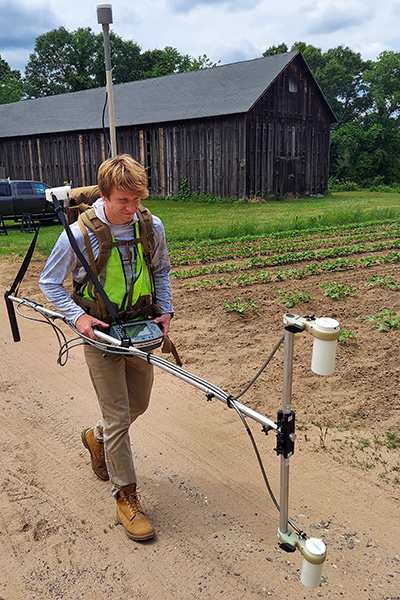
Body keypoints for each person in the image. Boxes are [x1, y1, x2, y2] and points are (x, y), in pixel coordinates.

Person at [39, 154, 174, 541]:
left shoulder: (152, 226)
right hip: (99, 336)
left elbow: (161, 270)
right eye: (123, 201)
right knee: (118, 417)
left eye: (137, 200)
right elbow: (50, 283)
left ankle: (95, 438)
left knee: (139, 403)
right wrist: (77, 318)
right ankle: (126, 497)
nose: (132, 209)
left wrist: (165, 310)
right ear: (103, 195)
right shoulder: (79, 235)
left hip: (139, 329)